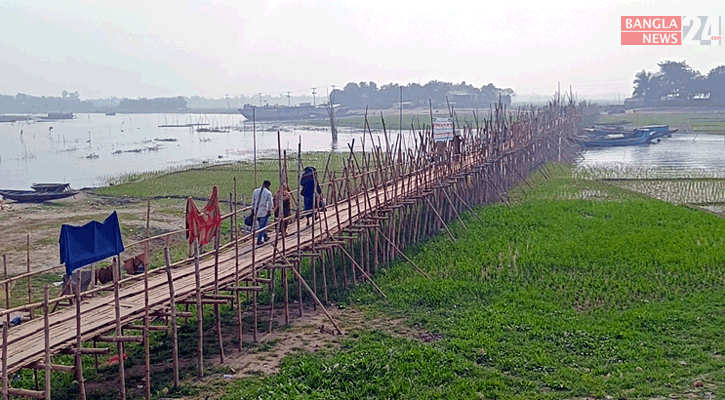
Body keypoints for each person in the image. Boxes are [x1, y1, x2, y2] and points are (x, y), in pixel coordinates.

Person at [251, 180, 274, 245]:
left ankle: (265, 236)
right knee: (262, 226)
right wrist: (269, 211)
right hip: (263, 211)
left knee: (261, 225)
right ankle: (259, 240)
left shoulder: (255, 191)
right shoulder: (268, 193)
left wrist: (252, 210)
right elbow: (270, 203)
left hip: (256, 211)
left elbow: (253, 201)